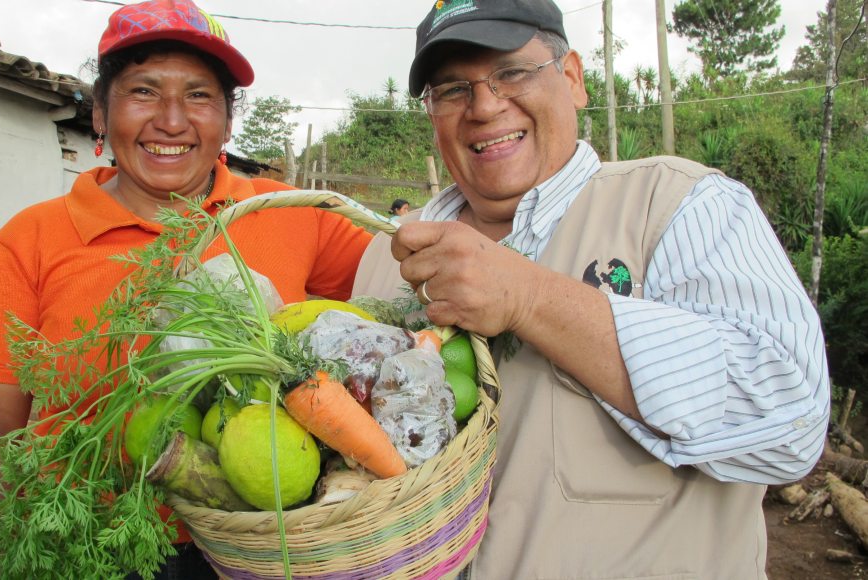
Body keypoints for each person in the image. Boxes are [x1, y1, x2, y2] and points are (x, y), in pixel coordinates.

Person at [352, 0, 830, 577]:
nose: (483, 105)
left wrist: (530, 298)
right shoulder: (387, 257)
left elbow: (790, 425)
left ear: (573, 78)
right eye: (452, 88)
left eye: (511, 71)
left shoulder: (679, 204)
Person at [0, 1, 372, 578]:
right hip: (88, 547)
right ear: (99, 112)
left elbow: (398, 294)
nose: (171, 121)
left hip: (269, 550)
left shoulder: (294, 215)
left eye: (199, 95)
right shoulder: (30, 242)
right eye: (143, 91)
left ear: (226, 121)